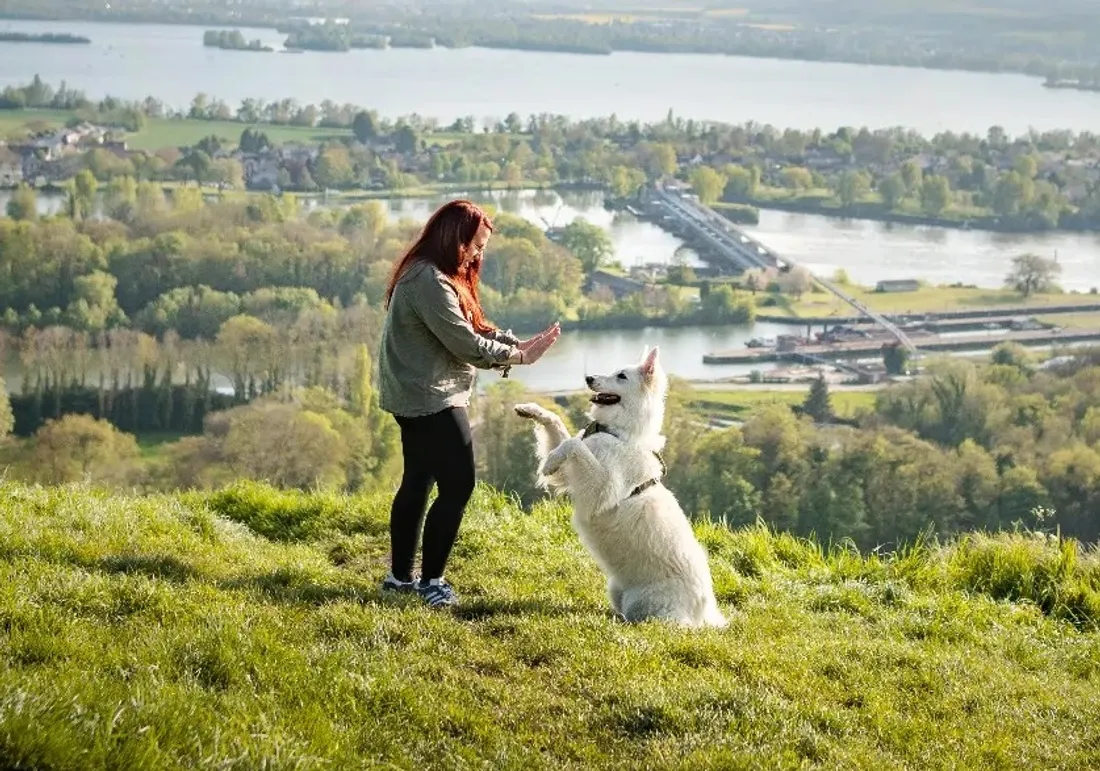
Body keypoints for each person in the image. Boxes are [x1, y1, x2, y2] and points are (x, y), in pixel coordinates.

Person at [378, 199, 561, 608]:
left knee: (418, 480)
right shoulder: (428, 280)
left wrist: (514, 343)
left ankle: (399, 579)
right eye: (476, 245)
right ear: (454, 238)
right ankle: (431, 583)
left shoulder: (431, 273)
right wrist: (520, 356)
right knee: (458, 485)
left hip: (413, 394)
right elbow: (465, 344)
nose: (478, 255)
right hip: (431, 398)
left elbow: (469, 327)